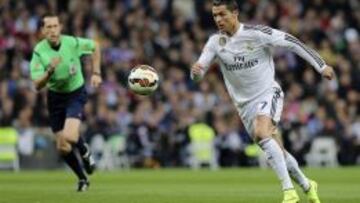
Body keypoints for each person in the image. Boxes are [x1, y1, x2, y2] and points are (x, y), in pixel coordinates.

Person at [191, 0, 336, 202]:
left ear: (235, 13)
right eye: (215, 16)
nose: (218, 20)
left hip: (268, 93)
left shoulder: (257, 33)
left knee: (262, 133)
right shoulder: (215, 42)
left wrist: (321, 65)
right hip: (244, 107)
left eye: (222, 14)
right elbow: (199, 72)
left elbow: (292, 42)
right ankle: (306, 184)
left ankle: (289, 193)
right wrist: (196, 72)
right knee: (276, 149)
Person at [30, 13, 102, 192]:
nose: (53, 31)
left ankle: (85, 150)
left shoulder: (72, 43)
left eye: (55, 26)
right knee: (62, 147)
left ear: (60, 28)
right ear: (43, 31)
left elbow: (95, 46)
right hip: (55, 98)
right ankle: (83, 179)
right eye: (49, 27)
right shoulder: (39, 51)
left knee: (70, 136)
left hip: (75, 93)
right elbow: (37, 85)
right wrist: (49, 71)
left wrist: (96, 72)